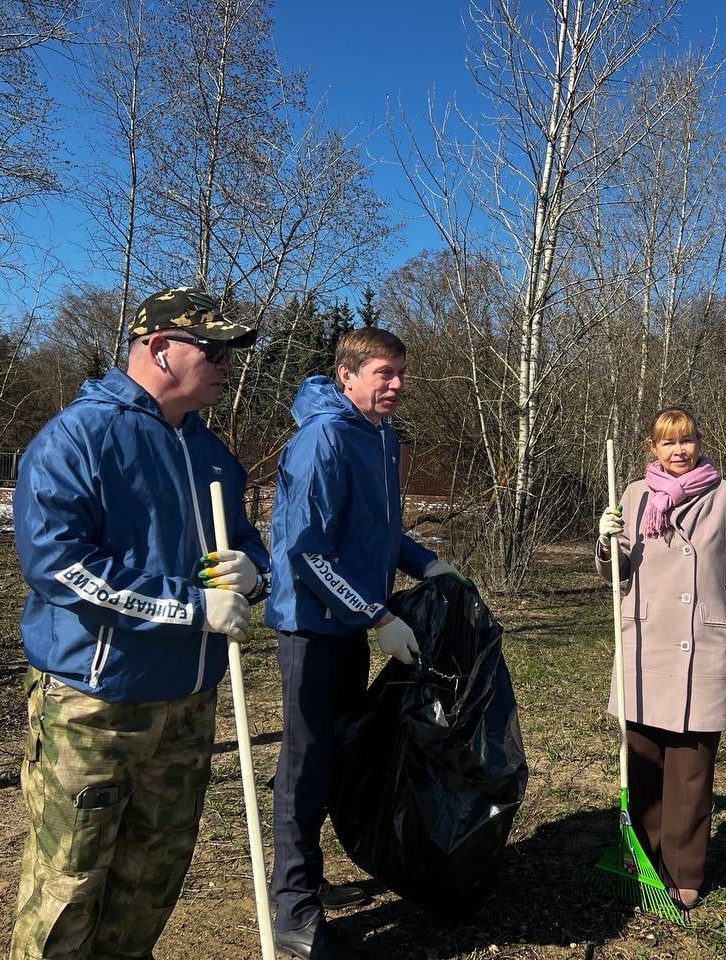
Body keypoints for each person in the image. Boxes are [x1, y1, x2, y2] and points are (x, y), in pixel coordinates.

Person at [9, 287, 270, 960]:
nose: (226, 367)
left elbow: (244, 543)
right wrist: (188, 607)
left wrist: (253, 572)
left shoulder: (210, 454)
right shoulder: (79, 438)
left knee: (151, 878)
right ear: (159, 349)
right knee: (68, 886)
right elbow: (60, 567)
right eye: (213, 351)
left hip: (187, 705)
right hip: (94, 704)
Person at [265, 326, 462, 960]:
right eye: (384, 373)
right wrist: (376, 615)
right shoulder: (324, 437)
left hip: (350, 625)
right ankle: (293, 910)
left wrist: (428, 564)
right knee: (304, 764)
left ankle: (310, 877)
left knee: (341, 753)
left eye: (401, 372)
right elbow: (305, 552)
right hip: (311, 629)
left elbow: (378, 533)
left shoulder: (381, 438)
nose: (397, 384)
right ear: (346, 375)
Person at [596, 407, 726, 911]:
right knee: (643, 762)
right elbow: (616, 573)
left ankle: (683, 869)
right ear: (653, 448)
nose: (678, 450)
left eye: (686, 440)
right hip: (645, 642)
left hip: (704, 645)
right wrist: (606, 544)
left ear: (698, 442)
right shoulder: (633, 495)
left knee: (692, 769)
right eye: (668, 443)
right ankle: (643, 860)